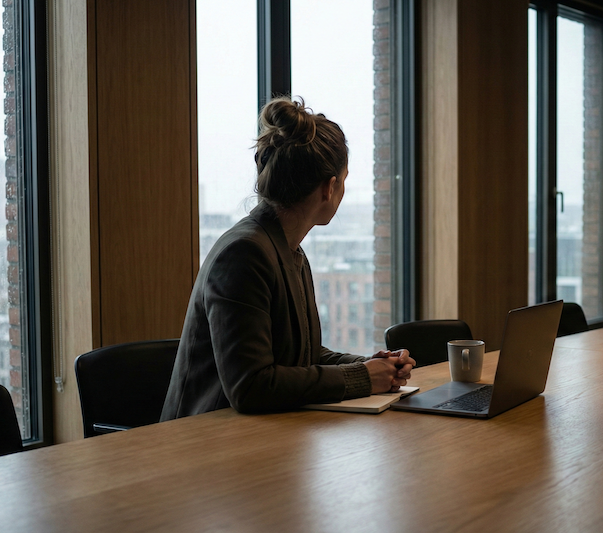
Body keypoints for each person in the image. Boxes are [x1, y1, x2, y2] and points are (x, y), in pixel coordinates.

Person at [161, 97, 414, 419]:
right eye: (345, 181)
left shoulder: (287, 249)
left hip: (263, 437)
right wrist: (363, 377)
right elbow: (251, 386)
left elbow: (303, 356)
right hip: (206, 444)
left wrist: (372, 366)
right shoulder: (244, 253)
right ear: (330, 187)